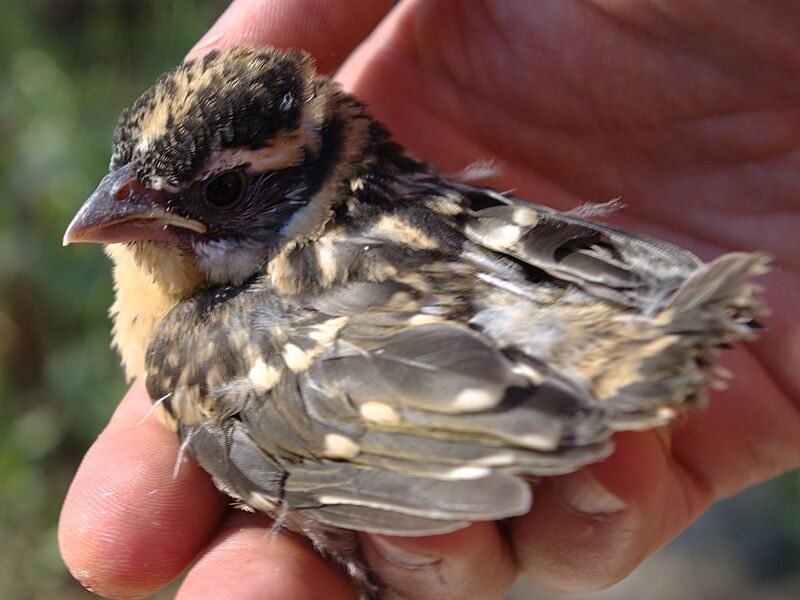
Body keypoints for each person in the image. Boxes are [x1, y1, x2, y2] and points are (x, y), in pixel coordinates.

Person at [57, 1, 800, 598]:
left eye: (222, 193)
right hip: (620, 314)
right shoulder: (411, 201)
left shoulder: (203, 343)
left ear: (305, 174)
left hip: (540, 380)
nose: (113, 222)